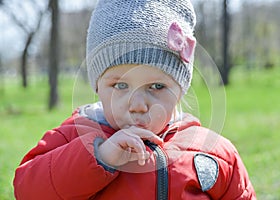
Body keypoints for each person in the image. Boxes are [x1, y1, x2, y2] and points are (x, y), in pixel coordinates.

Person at [13, 0, 256, 199]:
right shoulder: (75, 137)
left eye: (157, 86)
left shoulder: (214, 152)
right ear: (97, 86)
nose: (138, 105)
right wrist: (100, 156)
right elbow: (27, 190)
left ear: (181, 89)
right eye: (120, 85)